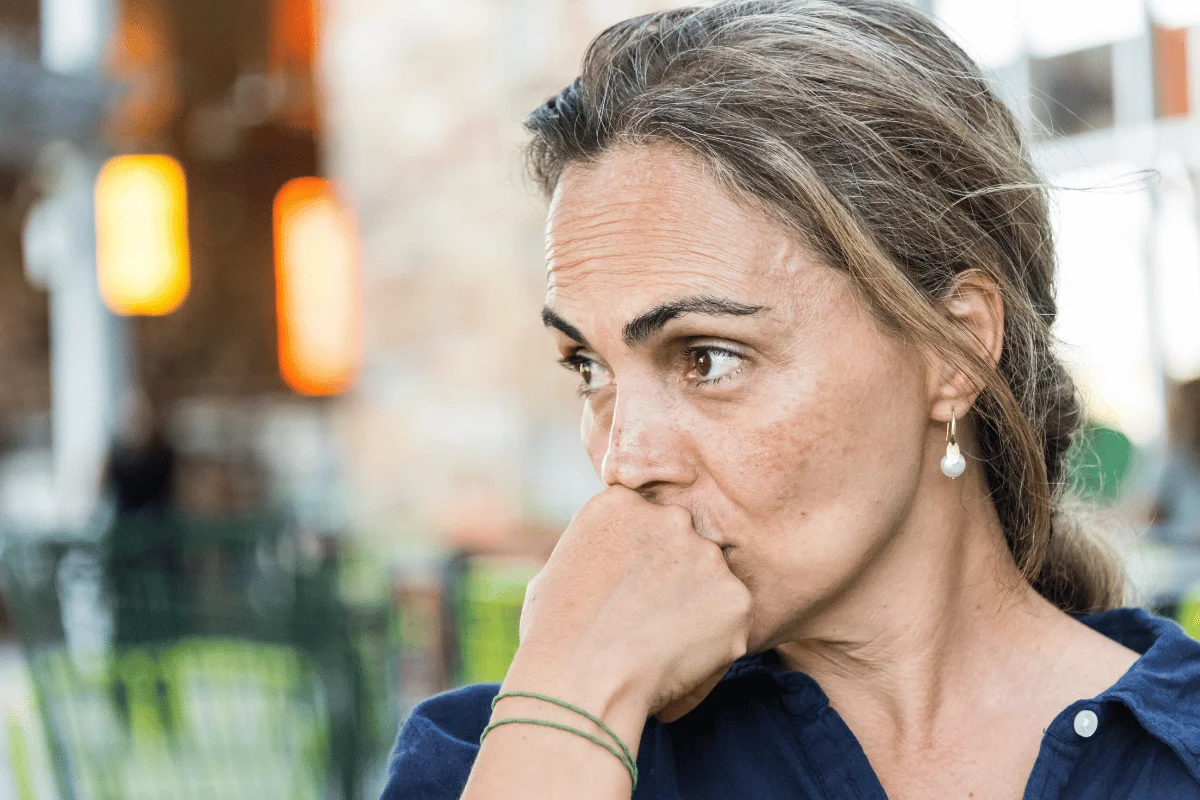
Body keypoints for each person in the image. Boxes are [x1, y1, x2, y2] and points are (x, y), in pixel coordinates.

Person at [383, 1, 1200, 798]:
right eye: (587, 368)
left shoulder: (1175, 753)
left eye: (705, 358)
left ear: (952, 350)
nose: (622, 460)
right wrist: (576, 693)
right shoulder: (502, 757)